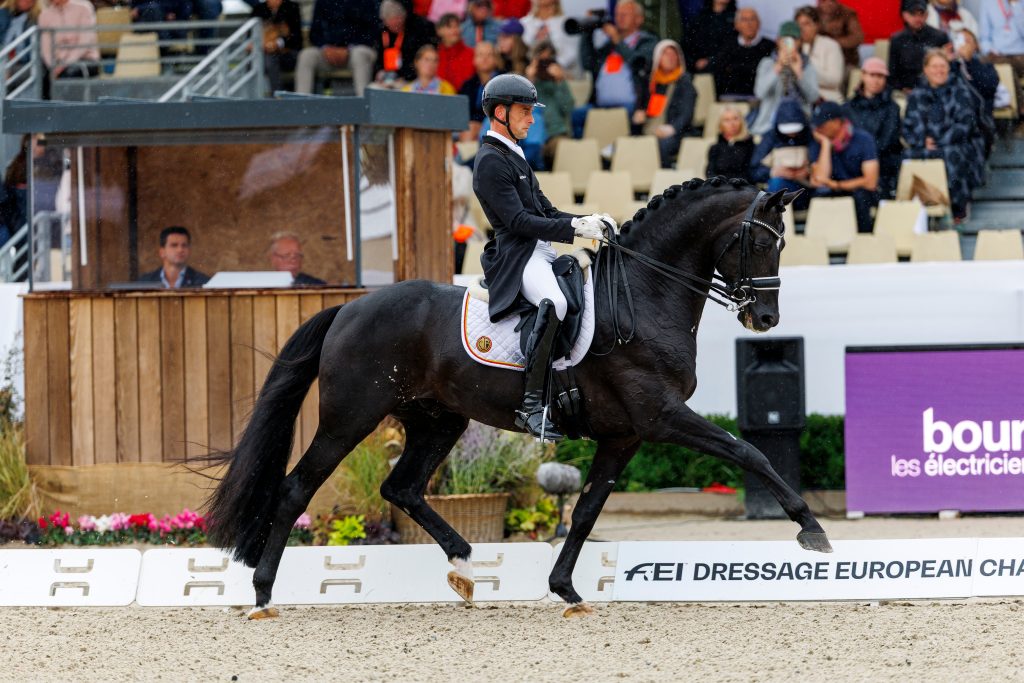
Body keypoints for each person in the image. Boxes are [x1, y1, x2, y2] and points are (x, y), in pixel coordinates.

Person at [471, 73, 612, 440]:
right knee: (554, 302)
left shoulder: (514, 155)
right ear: (499, 112)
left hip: (539, 249)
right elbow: (518, 221)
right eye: (524, 111)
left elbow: (545, 211)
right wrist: (573, 230)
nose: (531, 119)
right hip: (518, 255)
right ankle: (531, 406)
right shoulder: (490, 161)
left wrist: (587, 220)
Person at [902, 48, 979, 220]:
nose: (939, 71)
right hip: (924, 145)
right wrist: (921, 141)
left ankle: (957, 208)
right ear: (926, 70)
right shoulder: (916, 95)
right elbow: (907, 126)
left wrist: (940, 141)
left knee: (952, 155)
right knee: (906, 157)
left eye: (943, 66)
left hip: (953, 143)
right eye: (934, 66)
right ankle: (917, 208)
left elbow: (965, 124)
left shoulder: (959, 91)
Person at [809, 101, 879, 233]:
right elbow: (820, 179)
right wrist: (825, 145)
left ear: (837, 122)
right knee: (818, 197)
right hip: (832, 190)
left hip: (858, 191)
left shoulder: (863, 139)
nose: (817, 129)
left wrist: (837, 185)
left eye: (822, 124)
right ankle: (824, 243)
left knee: (861, 198)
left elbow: (870, 182)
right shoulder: (817, 141)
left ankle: (863, 240)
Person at [580, 0, 657, 113]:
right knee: (576, 116)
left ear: (639, 19)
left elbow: (639, 64)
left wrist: (617, 40)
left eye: (625, 15)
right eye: (617, 14)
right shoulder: (610, 45)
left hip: (632, 107)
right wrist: (587, 31)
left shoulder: (648, 41)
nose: (620, 18)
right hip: (600, 107)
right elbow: (588, 63)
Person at [294, 0, 378, 96]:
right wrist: (325, 47)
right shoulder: (323, 2)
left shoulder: (365, 2)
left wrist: (348, 48)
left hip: (355, 51)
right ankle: (302, 102)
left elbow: (371, 32)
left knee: (359, 55)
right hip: (328, 53)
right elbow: (314, 33)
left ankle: (364, 103)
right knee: (306, 55)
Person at [749, 21, 819, 136]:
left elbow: (813, 97)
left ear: (800, 42)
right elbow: (760, 93)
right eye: (785, 40)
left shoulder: (807, 65)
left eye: (794, 40)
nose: (789, 44)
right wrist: (778, 66)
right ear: (777, 40)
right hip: (770, 123)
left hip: (800, 122)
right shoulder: (767, 63)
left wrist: (799, 73)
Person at [634, 39, 695, 168]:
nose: (670, 58)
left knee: (663, 145)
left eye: (674, 54)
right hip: (650, 129)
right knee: (626, 145)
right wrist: (638, 115)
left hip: (674, 132)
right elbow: (641, 109)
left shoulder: (685, 83)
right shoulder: (651, 82)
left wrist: (671, 129)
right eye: (665, 54)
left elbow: (686, 114)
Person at [847, 57, 902, 198]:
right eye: (872, 75)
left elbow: (886, 141)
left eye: (880, 76)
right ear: (863, 75)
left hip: (882, 164)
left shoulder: (892, 108)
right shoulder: (848, 107)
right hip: (854, 163)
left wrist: (865, 158)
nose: (876, 80)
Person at [750, 98, 813, 210]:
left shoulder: (810, 136)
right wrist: (772, 172)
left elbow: (820, 163)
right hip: (779, 186)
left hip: (805, 188)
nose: (791, 134)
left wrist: (807, 171)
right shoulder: (770, 137)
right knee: (776, 184)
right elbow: (754, 170)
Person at [526, 39, 575, 169]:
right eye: (542, 61)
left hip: (556, 135)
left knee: (562, 146)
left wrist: (559, 81)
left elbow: (568, 108)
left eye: (548, 61)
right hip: (532, 137)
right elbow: (520, 107)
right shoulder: (527, 83)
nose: (545, 66)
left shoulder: (560, 83)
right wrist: (529, 80)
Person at [709, 7, 774, 99]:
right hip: (730, 98)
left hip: (761, 99)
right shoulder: (727, 46)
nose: (749, 24)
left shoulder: (770, 46)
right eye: (744, 20)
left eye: (752, 19)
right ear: (736, 25)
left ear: (759, 24)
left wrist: (734, 68)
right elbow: (718, 72)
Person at [37, 0, 99, 92]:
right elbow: (46, 47)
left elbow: (84, 43)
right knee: (42, 75)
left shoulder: (84, 7)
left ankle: (65, 105)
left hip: (84, 58)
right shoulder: (44, 15)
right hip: (57, 62)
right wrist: (52, 66)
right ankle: (46, 106)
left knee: (68, 75)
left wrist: (65, 64)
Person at [889, 0, 950, 91]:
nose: (918, 18)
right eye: (913, 14)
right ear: (905, 15)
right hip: (905, 91)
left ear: (927, 15)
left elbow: (947, 68)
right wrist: (902, 88)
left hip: (935, 89)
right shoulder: (897, 40)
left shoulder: (940, 37)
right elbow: (892, 72)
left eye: (921, 14)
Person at [374, 0, 438, 87]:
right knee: (373, 88)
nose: (391, 25)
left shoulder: (419, 30)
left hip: (409, 79)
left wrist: (402, 75)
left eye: (395, 21)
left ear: (402, 18)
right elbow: (378, 59)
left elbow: (419, 60)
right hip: (387, 77)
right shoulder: (383, 32)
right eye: (388, 22)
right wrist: (380, 72)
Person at [978, 0, 1024, 114]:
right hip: (996, 55)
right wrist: (989, 50)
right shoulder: (988, 3)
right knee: (980, 64)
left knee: (1004, 67)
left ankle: (1017, 110)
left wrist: (1017, 7)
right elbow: (984, 37)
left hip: (1020, 55)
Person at [796, 5, 844, 102]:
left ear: (817, 25)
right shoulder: (796, 46)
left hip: (827, 98)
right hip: (801, 99)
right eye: (799, 25)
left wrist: (806, 69)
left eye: (806, 24)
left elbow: (835, 80)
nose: (801, 28)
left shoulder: (830, 45)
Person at [253, 0, 302, 93]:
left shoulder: (291, 7)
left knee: (270, 60)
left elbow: (296, 38)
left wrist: (278, 44)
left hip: (288, 54)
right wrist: (261, 45)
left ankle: (276, 96)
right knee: (260, 60)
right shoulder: (258, 9)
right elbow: (250, 35)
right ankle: (257, 97)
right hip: (263, 52)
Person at [520, 0, 579, 76]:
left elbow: (572, 52)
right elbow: (520, 51)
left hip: (558, 74)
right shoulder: (524, 23)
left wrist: (555, 65)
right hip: (528, 73)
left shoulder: (567, 23)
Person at [458, 40, 502, 141]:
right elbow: (462, 112)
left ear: (496, 59)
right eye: (480, 54)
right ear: (474, 60)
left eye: (489, 54)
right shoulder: (468, 85)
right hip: (469, 127)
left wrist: (479, 124)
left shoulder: (503, 81)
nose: (484, 58)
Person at [139, 226, 210, 288]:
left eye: (184, 245)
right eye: (174, 245)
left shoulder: (204, 283)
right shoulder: (145, 282)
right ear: (162, 252)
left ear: (189, 250)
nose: (180, 250)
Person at [683, 0, 736, 73]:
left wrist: (712, 60)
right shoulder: (700, 18)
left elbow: (736, 45)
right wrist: (694, 62)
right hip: (702, 72)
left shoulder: (739, 18)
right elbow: (688, 44)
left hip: (729, 71)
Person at [706, 105, 755, 181]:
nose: (732, 123)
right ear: (721, 124)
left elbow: (749, 173)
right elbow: (710, 172)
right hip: (718, 187)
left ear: (741, 122)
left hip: (741, 187)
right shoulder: (715, 148)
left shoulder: (750, 145)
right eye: (727, 120)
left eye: (735, 119)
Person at [816, 0, 864, 68]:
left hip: (846, 60)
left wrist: (831, 42)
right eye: (824, 0)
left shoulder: (847, 13)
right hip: (820, 59)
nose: (828, 3)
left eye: (832, 1)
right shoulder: (813, 13)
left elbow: (857, 38)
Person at [437, 12, 475, 92]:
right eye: (449, 26)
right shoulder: (435, 55)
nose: (454, 30)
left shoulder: (471, 53)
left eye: (457, 26)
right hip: (439, 98)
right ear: (439, 31)